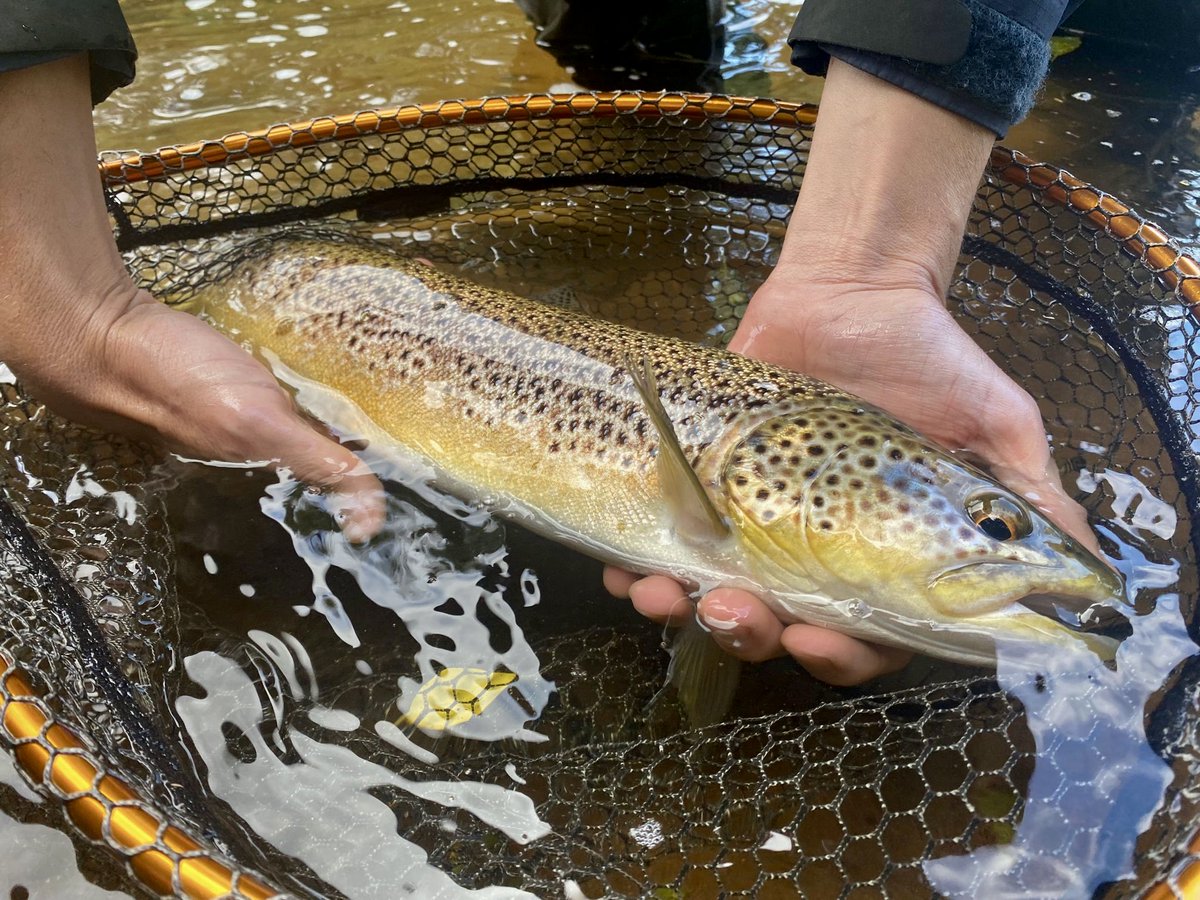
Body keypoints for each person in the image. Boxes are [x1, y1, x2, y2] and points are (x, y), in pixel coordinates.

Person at [0, 1, 1096, 687]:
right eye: (994, 523)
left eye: (994, 523)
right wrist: (83, 318)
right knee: (624, 40)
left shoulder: (779, 470)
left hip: (328, 285)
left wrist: (869, 268)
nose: (1006, 540)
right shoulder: (729, 492)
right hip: (304, 294)